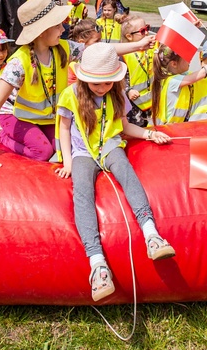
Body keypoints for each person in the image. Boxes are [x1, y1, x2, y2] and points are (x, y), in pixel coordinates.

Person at [0, 0, 154, 171]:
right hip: (13, 116)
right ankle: (1, 135)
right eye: (58, 25)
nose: (63, 29)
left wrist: (138, 46)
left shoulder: (62, 49)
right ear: (43, 31)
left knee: (61, 149)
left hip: (43, 118)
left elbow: (100, 51)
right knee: (42, 152)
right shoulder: (19, 62)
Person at [55, 43, 175, 301]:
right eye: (97, 84)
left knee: (128, 175)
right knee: (82, 194)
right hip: (82, 152)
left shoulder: (116, 95)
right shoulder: (71, 95)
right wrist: (67, 161)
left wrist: (150, 134)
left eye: (108, 83)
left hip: (109, 146)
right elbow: (64, 128)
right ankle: (97, 262)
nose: (102, 88)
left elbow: (125, 127)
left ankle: (151, 234)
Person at [151, 39, 207, 125]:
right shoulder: (172, 81)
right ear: (174, 64)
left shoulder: (184, 76)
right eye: (185, 57)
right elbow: (203, 73)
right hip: (165, 129)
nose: (189, 59)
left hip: (177, 127)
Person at [121, 14, 157, 127]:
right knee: (136, 131)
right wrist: (128, 90)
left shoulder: (151, 48)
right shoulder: (124, 55)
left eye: (147, 28)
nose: (146, 33)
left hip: (152, 100)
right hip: (133, 105)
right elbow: (121, 80)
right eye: (142, 31)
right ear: (129, 36)